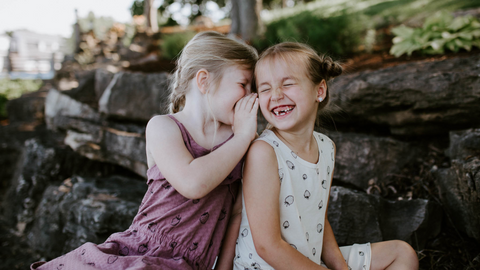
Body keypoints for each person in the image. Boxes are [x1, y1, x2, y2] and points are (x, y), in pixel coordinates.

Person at [31, 31, 259, 270]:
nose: (251, 96)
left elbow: (236, 214)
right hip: (143, 251)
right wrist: (243, 136)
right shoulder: (165, 127)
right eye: (243, 84)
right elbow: (193, 183)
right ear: (204, 81)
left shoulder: (239, 142)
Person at [233, 42, 419, 270]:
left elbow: (319, 218)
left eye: (288, 84)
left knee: (401, 254)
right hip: (266, 266)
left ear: (319, 91)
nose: (276, 95)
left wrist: (340, 267)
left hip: (309, 261)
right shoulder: (264, 152)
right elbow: (267, 246)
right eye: (265, 89)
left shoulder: (326, 147)